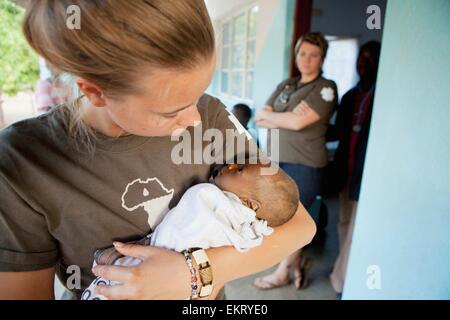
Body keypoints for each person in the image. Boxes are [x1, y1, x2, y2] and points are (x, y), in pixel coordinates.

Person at [0, 0, 316, 300]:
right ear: (96, 92)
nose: (194, 120)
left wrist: (191, 274)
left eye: (198, 96)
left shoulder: (210, 116)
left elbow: (300, 226)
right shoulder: (25, 161)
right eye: (171, 111)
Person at [83, 162, 300, 300]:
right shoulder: (244, 228)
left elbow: (306, 229)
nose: (231, 165)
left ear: (250, 204)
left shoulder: (212, 201)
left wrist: (192, 274)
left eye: (240, 170)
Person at [253, 32, 337, 290]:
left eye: (314, 55)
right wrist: (287, 117)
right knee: (276, 216)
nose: (307, 60)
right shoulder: (286, 85)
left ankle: (282, 272)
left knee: (292, 219)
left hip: (306, 165)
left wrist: (279, 118)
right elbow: (259, 117)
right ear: (296, 54)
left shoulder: (325, 88)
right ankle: (296, 263)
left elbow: (299, 122)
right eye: (303, 53)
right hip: (277, 160)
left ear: (322, 58)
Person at [327, 41, 381, 295]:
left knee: (353, 232)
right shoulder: (350, 95)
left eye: (370, 59)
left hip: (366, 177)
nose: (364, 63)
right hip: (344, 173)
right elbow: (337, 131)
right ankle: (346, 272)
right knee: (343, 224)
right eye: (361, 58)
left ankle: (341, 281)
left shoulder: (383, 95)